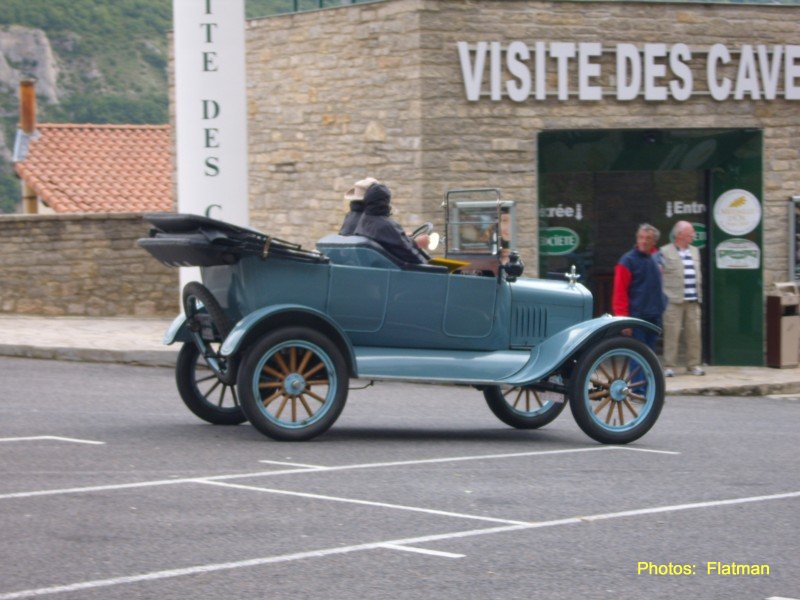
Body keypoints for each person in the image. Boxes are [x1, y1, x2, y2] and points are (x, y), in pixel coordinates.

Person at [612, 223, 666, 351]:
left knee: (650, 358)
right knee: (638, 358)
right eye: (641, 237)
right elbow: (619, 292)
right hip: (635, 318)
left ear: (654, 241)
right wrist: (623, 321)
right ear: (637, 239)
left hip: (654, 317)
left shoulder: (658, 258)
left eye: (648, 238)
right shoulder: (627, 261)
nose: (644, 241)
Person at [660, 221, 704, 376]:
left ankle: (694, 365)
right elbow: (659, 275)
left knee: (694, 334)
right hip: (673, 301)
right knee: (672, 334)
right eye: (690, 233)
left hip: (693, 300)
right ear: (679, 235)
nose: (693, 235)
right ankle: (669, 366)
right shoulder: (664, 252)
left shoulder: (695, 251)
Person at [354, 182, 429, 265]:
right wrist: (416, 244)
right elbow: (410, 254)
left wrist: (408, 239)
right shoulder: (385, 225)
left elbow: (394, 243)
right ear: (385, 202)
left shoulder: (364, 219)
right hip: (396, 271)